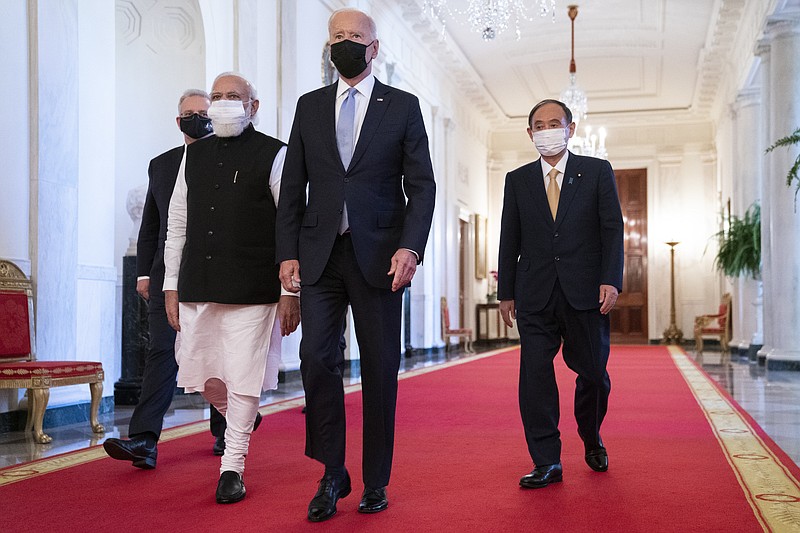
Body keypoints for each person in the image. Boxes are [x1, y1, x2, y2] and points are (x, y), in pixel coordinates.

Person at [276, 7, 436, 522]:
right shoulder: (309, 106)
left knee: (379, 369)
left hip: (382, 259)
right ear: (329, 44)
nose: (345, 42)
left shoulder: (403, 107)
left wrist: (410, 247)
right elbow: (292, 190)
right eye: (337, 35)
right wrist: (287, 255)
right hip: (320, 255)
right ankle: (330, 473)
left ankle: (376, 480)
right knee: (316, 362)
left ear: (374, 47)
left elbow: (423, 187)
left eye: (355, 36)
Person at [163, 72, 300, 504]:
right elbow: (178, 224)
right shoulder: (193, 156)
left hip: (254, 287)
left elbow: (288, 224)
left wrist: (290, 292)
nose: (224, 103)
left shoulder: (275, 154)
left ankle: (232, 466)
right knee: (197, 370)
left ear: (252, 106)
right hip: (198, 283)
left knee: (242, 376)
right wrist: (170, 285)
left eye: (234, 97)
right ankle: (242, 417)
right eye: (217, 96)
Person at [497, 99, 624, 489]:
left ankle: (591, 435)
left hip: (585, 292)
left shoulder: (597, 171)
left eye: (555, 122)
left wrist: (611, 279)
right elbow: (509, 237)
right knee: (534, 377)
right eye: (539, 124)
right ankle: (546, 460)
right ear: (530, 132)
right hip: (534, 293)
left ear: (570, 128)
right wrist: (506, 291)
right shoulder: (517, 180)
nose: (547, 129)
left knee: (594, 374)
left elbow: (611, 229)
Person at [103, 89, 231, 469]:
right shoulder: (161, 164)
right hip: (166, 276)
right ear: (178, 121)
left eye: (202, 112)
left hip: (214, 271)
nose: (196, 118)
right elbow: (150, 226)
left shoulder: (229, 160)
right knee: (161, 352)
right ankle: (144, 439)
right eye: (188, 113)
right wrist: (144, 272)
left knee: (215, 354)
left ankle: (226, 429)